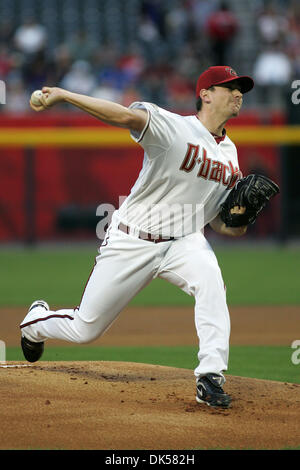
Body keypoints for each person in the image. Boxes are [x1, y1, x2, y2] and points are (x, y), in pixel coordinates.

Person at [20, 65, 254, 408]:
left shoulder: (230, 155)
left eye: (241, 89)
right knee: (86, 329)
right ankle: (34, 323)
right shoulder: (174, 127)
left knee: (211, 283)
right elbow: (125, 116)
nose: (237, 94)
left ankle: (210, 376)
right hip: (133, 239)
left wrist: (239, 222)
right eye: (229, 87)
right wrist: (65, 94)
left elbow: (220, 223)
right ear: (205, 94)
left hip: (185, 240)